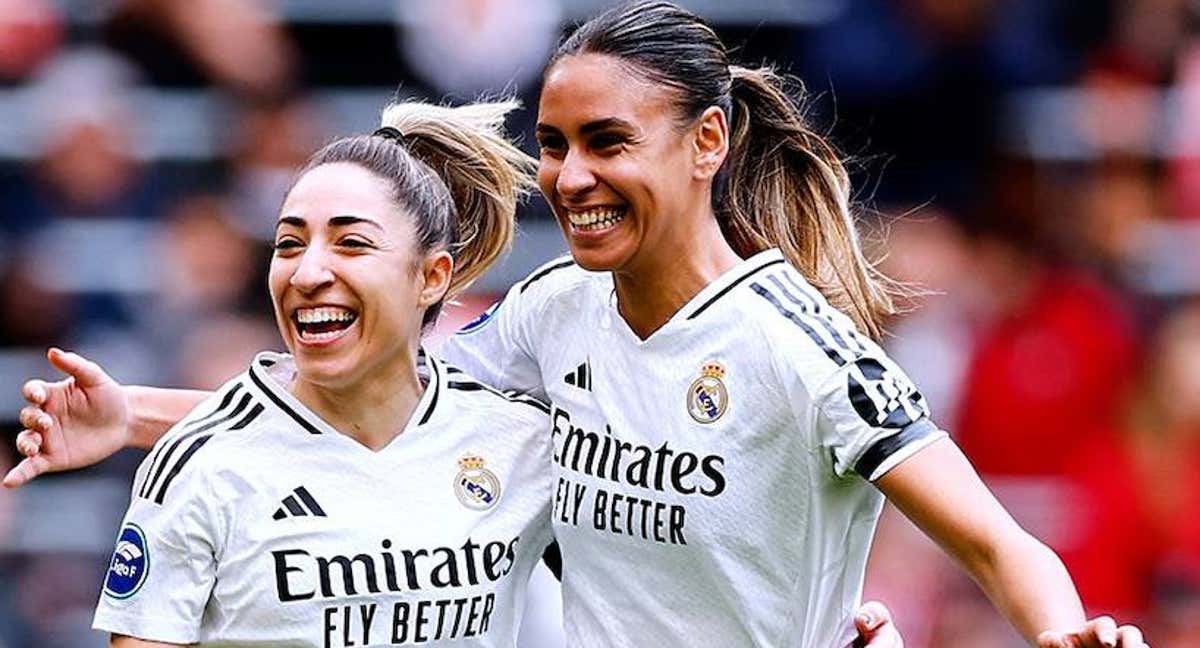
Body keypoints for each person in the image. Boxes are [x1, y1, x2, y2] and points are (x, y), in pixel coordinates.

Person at [7, 2, 1133, 646]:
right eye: (553, 143)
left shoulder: (802, 349)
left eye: (607, 141)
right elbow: (369, 420)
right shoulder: (555, 312)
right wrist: (135, 418)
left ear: (707, 145)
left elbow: (995, 538)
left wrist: (1063, 634)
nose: (570, 176)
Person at [88, 98, 561, 646]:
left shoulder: (521, 443)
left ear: (432, 276)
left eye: (351, 243)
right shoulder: (202, 463)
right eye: (289, 243)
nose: (308, 272)